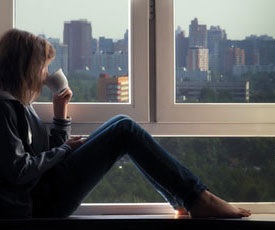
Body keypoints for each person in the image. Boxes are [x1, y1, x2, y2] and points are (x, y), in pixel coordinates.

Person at [0, 29, 251, 219]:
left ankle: (187, 200)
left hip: (45, 191)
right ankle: (197, 199)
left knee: (122, 122)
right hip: (37, 205)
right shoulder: (4, 109)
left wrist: (60, 117)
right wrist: (65, 149)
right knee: (124, 129)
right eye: (43, 68)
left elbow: (48, 159)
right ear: (26, 69)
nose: (46, 75)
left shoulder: (22, 105)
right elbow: (19, 170)